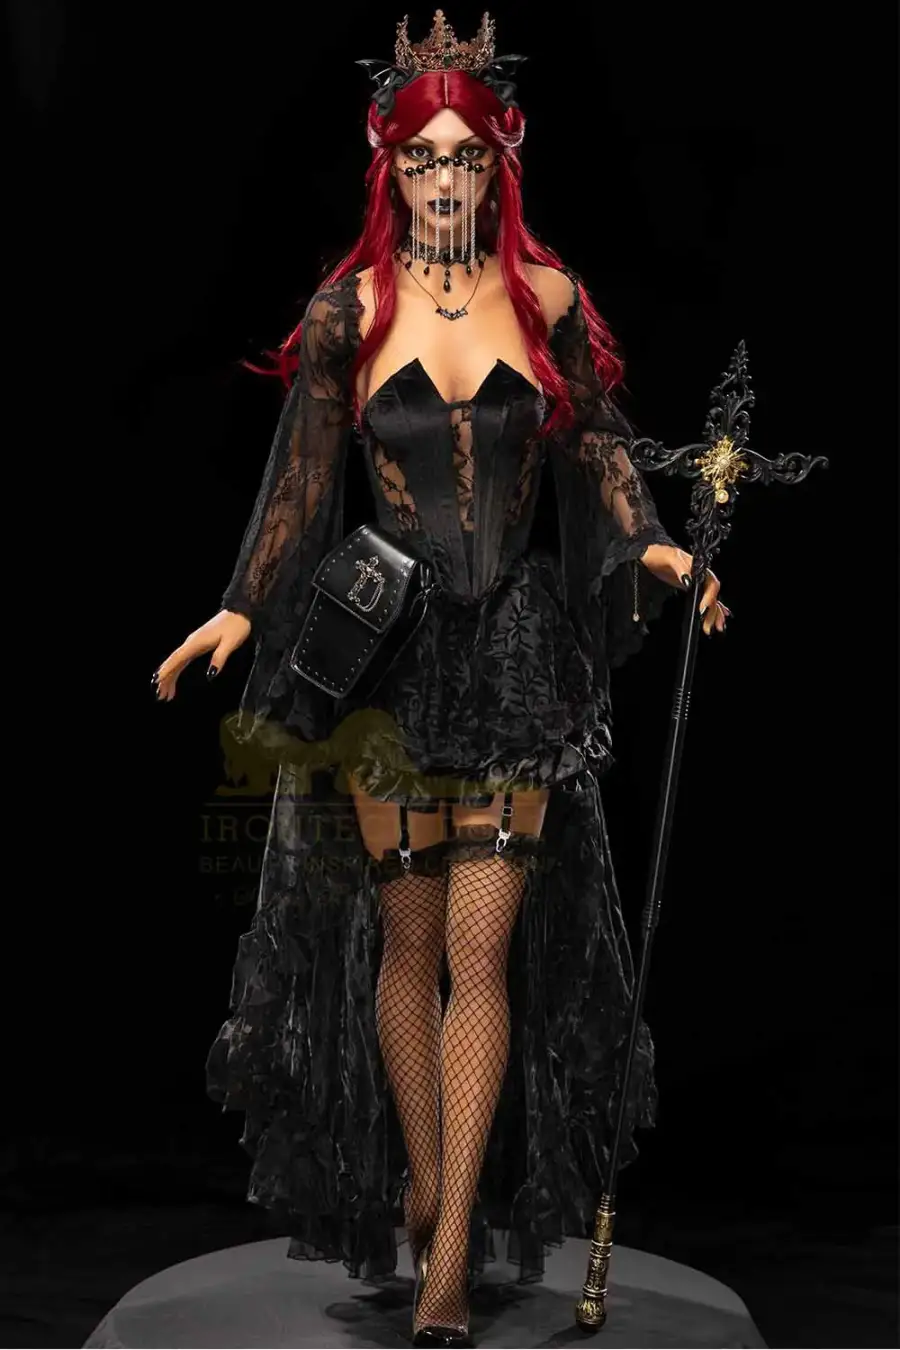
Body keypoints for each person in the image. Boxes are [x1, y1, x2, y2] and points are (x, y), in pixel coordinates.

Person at [152, 12, 729, 1347]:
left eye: (466, 155)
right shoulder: (350, 311)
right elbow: (302, 478)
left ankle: (452, 1246)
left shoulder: (550, 301)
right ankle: (427, 1187)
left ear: (501, 159)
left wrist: (658, 546)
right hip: (387, 668)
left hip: (517, 657)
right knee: (408, 945)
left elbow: (599, 453)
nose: (445, 178)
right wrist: (240, 607)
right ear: (391, 165)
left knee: (483, 948)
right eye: (423, 157)